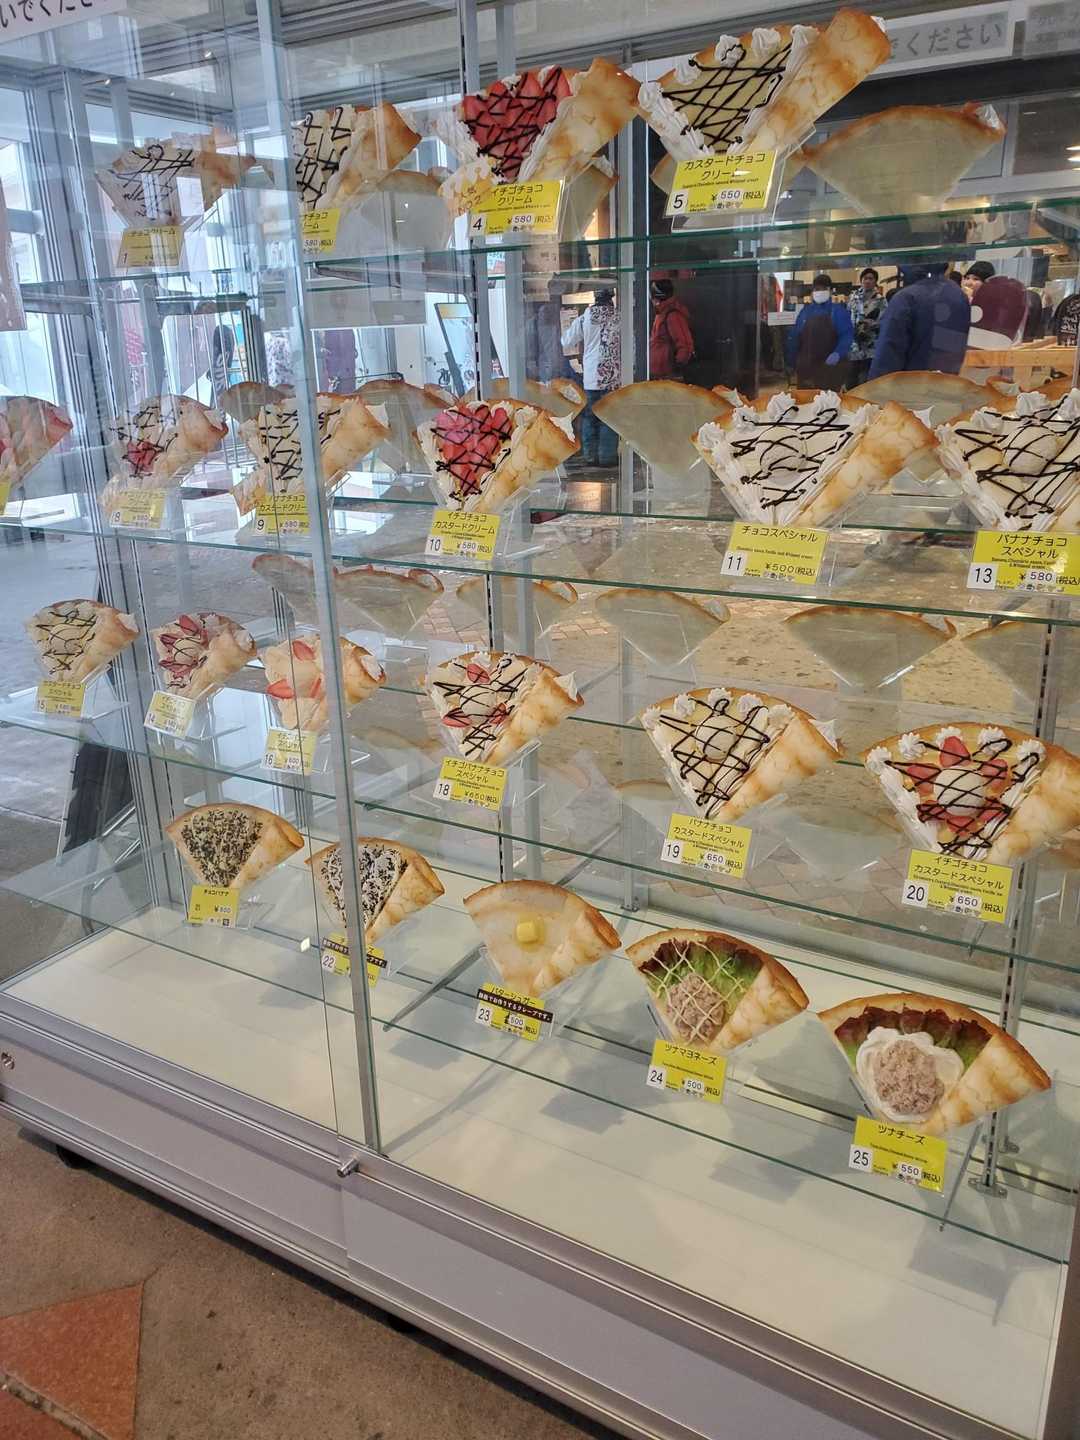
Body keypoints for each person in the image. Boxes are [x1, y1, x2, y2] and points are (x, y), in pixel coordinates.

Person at [868, 262, 971, 379]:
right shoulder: (958, 294)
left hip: (910, 384)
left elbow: (887, 357)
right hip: (947, 382)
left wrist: (874, 386)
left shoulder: (907, 298)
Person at [561, 287, 621, 467]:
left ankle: (590, 456)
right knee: (609, 418)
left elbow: (566, 341)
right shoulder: (619, 317)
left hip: (592, 377)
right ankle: (607, 458)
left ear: (595, 297)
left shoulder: (585, 317)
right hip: (613, 376)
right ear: (611, 297)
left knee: (590, 417)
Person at [785, 274, 853, 389]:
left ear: (830, 291)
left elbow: (846, 336)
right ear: (813, 291)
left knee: (828, 400)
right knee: (805, 399)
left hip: (830, 369)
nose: (819, 292)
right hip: (806, 369)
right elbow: (795, 337)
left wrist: (838, 353)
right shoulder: (805, 312)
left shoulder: (838, 312)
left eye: (824, 289)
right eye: (817, 289)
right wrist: (791, 361)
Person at [648, 279, 694, 380]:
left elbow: (686, 346)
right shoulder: (661, 313)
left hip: (668, 376)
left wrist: (677, 369)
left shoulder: (673, 315)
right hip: (659, 375)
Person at [847, 267, 885, 385]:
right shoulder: (853, 298)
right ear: (861, 280)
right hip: (854, 346)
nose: (867, 281)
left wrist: (873, 324)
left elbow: (885, 320)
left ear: (875, 281)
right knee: (851, 380)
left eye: (871, 278)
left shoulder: (881, 300)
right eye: (865, 278)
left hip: (871, 346)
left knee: (865, 380)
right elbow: (847, 315)